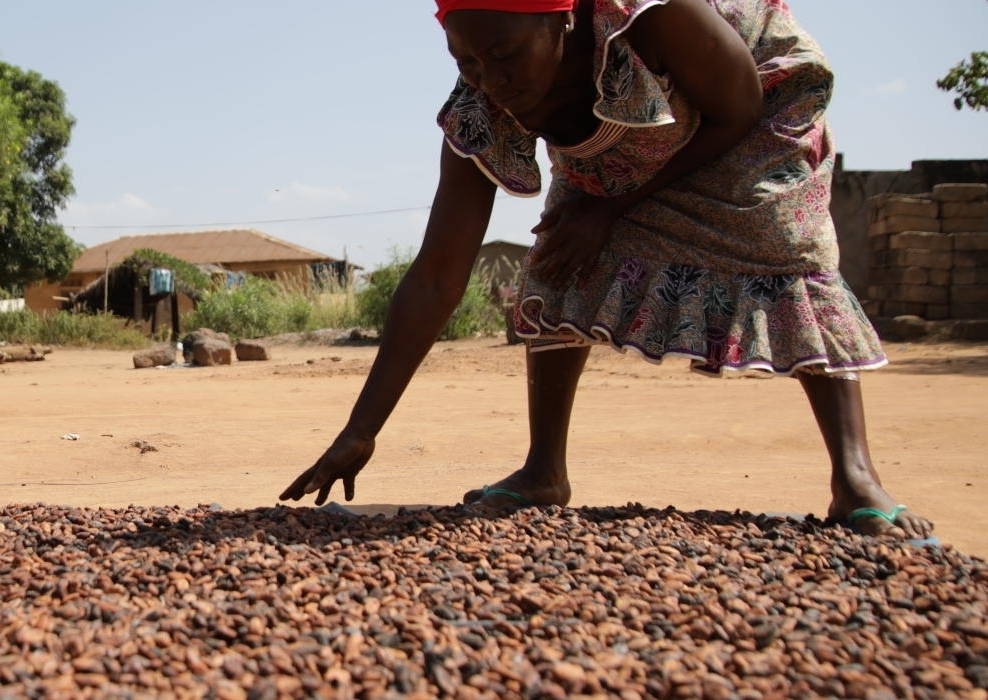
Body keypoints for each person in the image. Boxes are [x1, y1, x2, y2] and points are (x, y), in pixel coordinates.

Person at [278, 0, 935, 540]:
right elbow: (436, 277)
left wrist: (613, 207)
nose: (491, 80)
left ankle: (855, 479)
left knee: (781, 242)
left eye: (505, 56)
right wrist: (360, 431)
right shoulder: (482, 104)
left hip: (752, 104)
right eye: (467, 61)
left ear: (560, 21)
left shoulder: (655, 17)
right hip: (632, 137)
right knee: (557, 261)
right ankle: (544, 472)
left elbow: (735, 108)